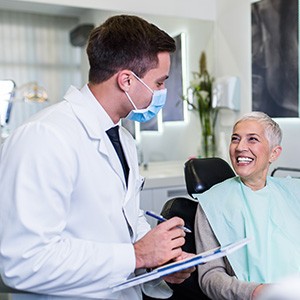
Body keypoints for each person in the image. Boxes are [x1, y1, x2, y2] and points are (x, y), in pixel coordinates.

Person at [0, 15, 195, 300]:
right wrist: (137, 256)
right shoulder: (44, 136)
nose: (162, 92)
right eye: (160, 82)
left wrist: (158, 262)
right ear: (127, 80)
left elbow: (124, 218)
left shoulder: (122, 138)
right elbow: (23, 262)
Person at [194, 111, 300, 300]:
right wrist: (253, 292)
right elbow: (210, 276)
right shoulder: (212, 203)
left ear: (274, 153)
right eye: (235, 139)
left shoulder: (293, 192)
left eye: (252, 139)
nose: (240, 147)